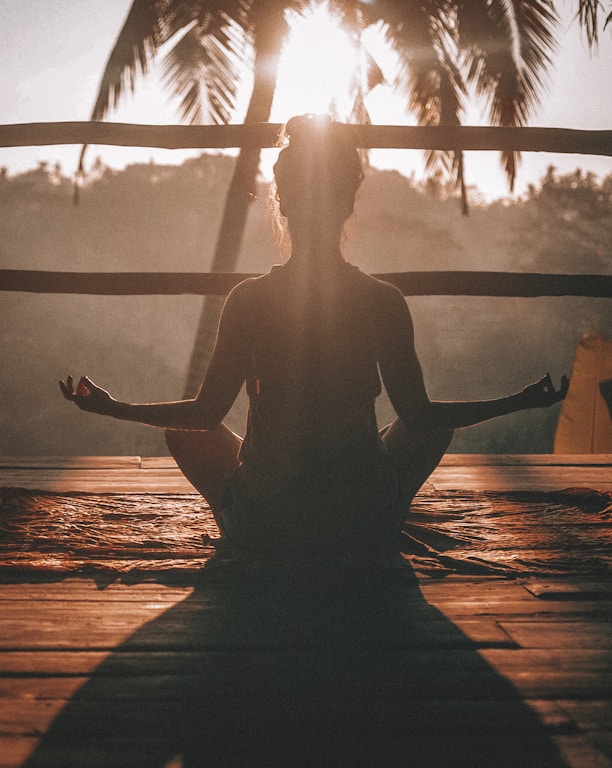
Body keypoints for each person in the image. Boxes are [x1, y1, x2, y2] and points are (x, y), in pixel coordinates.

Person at [60, 114, 568, 557]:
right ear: (348, 204)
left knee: (185, 432)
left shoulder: (250, 299)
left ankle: (240, 521)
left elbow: (204, 414)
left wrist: (113, 407)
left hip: (268, 526)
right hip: (361, 522)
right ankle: (381, 512)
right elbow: (421, 416)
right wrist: (518, 401)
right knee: (431, 426)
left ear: (282, 203)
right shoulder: (382, 300)